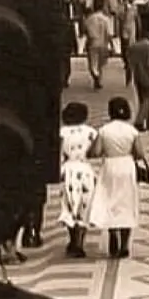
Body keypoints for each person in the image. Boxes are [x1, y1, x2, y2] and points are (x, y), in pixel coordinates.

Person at [87, 97, 148, 259]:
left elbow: (96, 152)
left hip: (110, 166)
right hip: (127, 166)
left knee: (110, 201)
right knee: (126, 203)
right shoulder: (132, 131)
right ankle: (125, 244)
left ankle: (112, 233)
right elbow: (140, 153)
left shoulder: (104, 130)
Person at [57, 102, 99, 258]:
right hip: (85, 170)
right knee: (84, 205)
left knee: (69, 205)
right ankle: (80, 241)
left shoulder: (62, 132)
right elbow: (95, 152)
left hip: (68, 170)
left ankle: (72, 239)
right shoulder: (91, 132)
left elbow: (60, 153)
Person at [81, 1, 116, 90]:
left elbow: (85, 31)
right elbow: (109, 34)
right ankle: (98, 80)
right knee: (100, 64)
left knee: (93, 64)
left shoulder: (90, 19)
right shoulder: (106, 19)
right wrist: (112, 46)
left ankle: (95, 76)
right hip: (103, 43)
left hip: (92, 43)